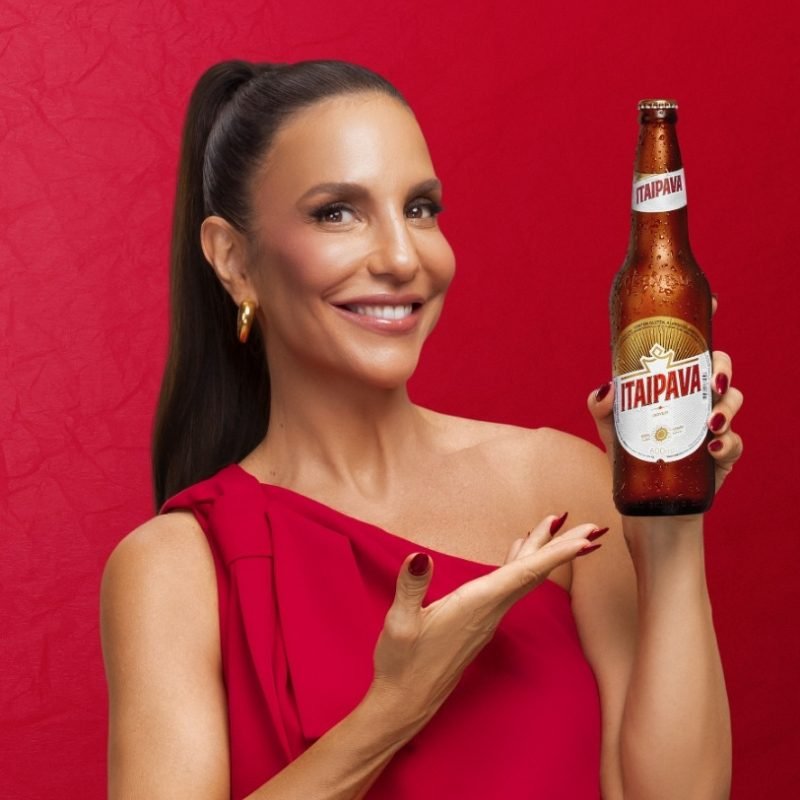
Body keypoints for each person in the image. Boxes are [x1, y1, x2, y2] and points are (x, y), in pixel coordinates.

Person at [100, 59, 743, 800]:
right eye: (337, 213)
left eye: (420, 208)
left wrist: (668, 530)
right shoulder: (175, 569)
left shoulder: (563, 488)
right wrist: (397, 705)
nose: (403, 258)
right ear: (233, 260)